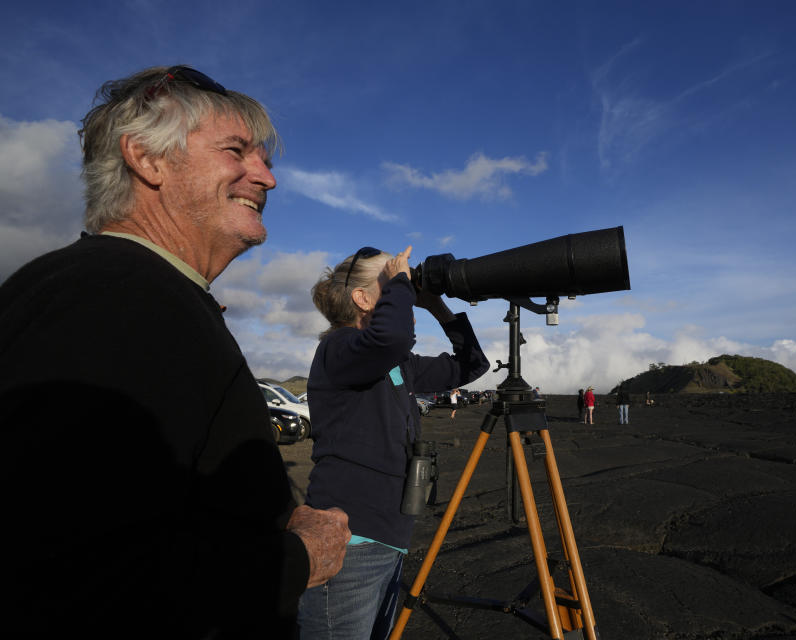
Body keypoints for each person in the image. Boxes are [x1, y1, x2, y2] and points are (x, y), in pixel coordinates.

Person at [0, 65, 351, 638]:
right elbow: (65, 576)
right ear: (147, 159)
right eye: (237, 150)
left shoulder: (137, 293)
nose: (267, 178)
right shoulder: (113, 298)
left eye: (264, 159)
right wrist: (299, 558)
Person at [300, 246, 489, 639]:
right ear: (362, 299)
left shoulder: (396, 365)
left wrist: (436, 305)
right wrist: (402, 282)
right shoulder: (338, 349)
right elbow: (391, 338)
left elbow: (471, 365)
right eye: (389, 284)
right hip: (349, 540)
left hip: (389, 539)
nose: (403, 294)